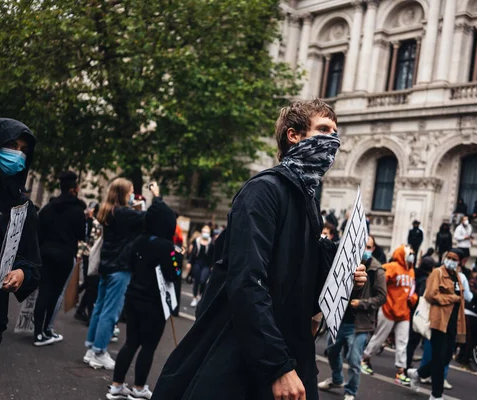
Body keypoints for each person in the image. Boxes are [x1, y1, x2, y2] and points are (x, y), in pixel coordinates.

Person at [151, 99, 367, 400]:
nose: (333, 139)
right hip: (249, 357)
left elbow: (300, 282)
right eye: (324, 129)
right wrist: (277, 367)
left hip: (289, 348)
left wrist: (345, 276)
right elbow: (248, 281)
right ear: (294, 135)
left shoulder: (307, 199)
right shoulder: (264, 191)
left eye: (335, 131)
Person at [0, 119, 42, 399]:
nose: (17, 155)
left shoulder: (21, 205)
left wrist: (22, 273)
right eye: (11, 146)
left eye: (23, 150)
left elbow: (31, 260)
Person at [106, 195, 180, 400]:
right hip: (153, 303)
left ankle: (116, 385)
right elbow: (173, 274)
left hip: (133, 296)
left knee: (130, 342)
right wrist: (177, 260)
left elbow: (130, 264)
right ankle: (138, 388)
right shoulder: (166, 246)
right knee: (148, 346)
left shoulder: (139, 240)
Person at [83, 179, 161, 370]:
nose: (133, 194)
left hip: (106, 265)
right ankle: (99, 351)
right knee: (111, 312)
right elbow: (153, 216)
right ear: (124, 193)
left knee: (100, 308)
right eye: (131, 191)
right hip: (120, 268)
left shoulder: (108, 211)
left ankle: (91, 348)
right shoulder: (125, 214)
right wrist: (156, 196)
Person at [318, 235, 387, 400]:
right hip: (340, 320)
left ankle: (350, 392)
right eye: (363, 245)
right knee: (332, 352)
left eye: (369, 247)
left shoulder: (376, 270)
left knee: (354, 360)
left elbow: (382, 297)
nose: (365, 250)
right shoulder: (346, 262)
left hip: (360, 324)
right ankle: (337, 379)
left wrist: (361, 303)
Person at [33, 171, 87, 346]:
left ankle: (38, 333)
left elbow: (39, 231)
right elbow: (81, 234)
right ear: (74, 189)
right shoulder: (78, 210)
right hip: (65, 255)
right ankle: (47, 329)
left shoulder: (49, 208)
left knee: (43, 291)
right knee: (55, 294)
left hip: (46, 253)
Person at [408, 250, 466, 400]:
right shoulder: (437, 273)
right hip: (438, 321)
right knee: (439, 358)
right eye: (449, 258)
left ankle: (418, 373)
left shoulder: (457, 277)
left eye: (455, 259)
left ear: (459, 262)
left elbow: (461, 299)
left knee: (446, 358)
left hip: (452, 323)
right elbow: (430, 295)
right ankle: (436, 395)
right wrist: (451, 298)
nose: (451, 261)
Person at [361, 245, 418, 386]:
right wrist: (380, 297)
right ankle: (364, 359)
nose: (412, 255)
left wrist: (414, 298)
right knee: (379, 338)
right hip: (388, 309)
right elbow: (379, 281)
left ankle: (401, 371)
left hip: (404, 312)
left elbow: (412, 290)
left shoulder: (411, 270)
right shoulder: (392, 267)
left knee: (402, 343)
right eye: (409, 253)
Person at [406, 248, 434, 369]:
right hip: (418, 313)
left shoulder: (414, 274)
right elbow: (423, 297)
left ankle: (405, 363)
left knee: (408, 340)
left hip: (409, 309)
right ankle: (406, 365)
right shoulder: (425, 280)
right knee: (412, 342)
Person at [75, 202, 102, 323]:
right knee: (91, 285)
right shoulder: (92, 222)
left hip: (90, 256)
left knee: (89, 284)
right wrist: (80, 255)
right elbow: (87, 241)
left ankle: (80, 309)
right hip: (90, 256)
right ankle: (87, 313)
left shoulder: (93, 222)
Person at [187, 225, 215, 307]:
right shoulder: (197, 241)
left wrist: (212, 266)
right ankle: (194, 297)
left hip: (206, 265)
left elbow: (213, 255)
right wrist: (189, 263)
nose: (205, 234)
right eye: (204, 232)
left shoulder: (211, 243)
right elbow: (192, 254)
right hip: (197, 263)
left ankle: (200, 295)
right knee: (196, 281)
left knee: (203, 281)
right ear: (202, 232)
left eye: (207, 232)